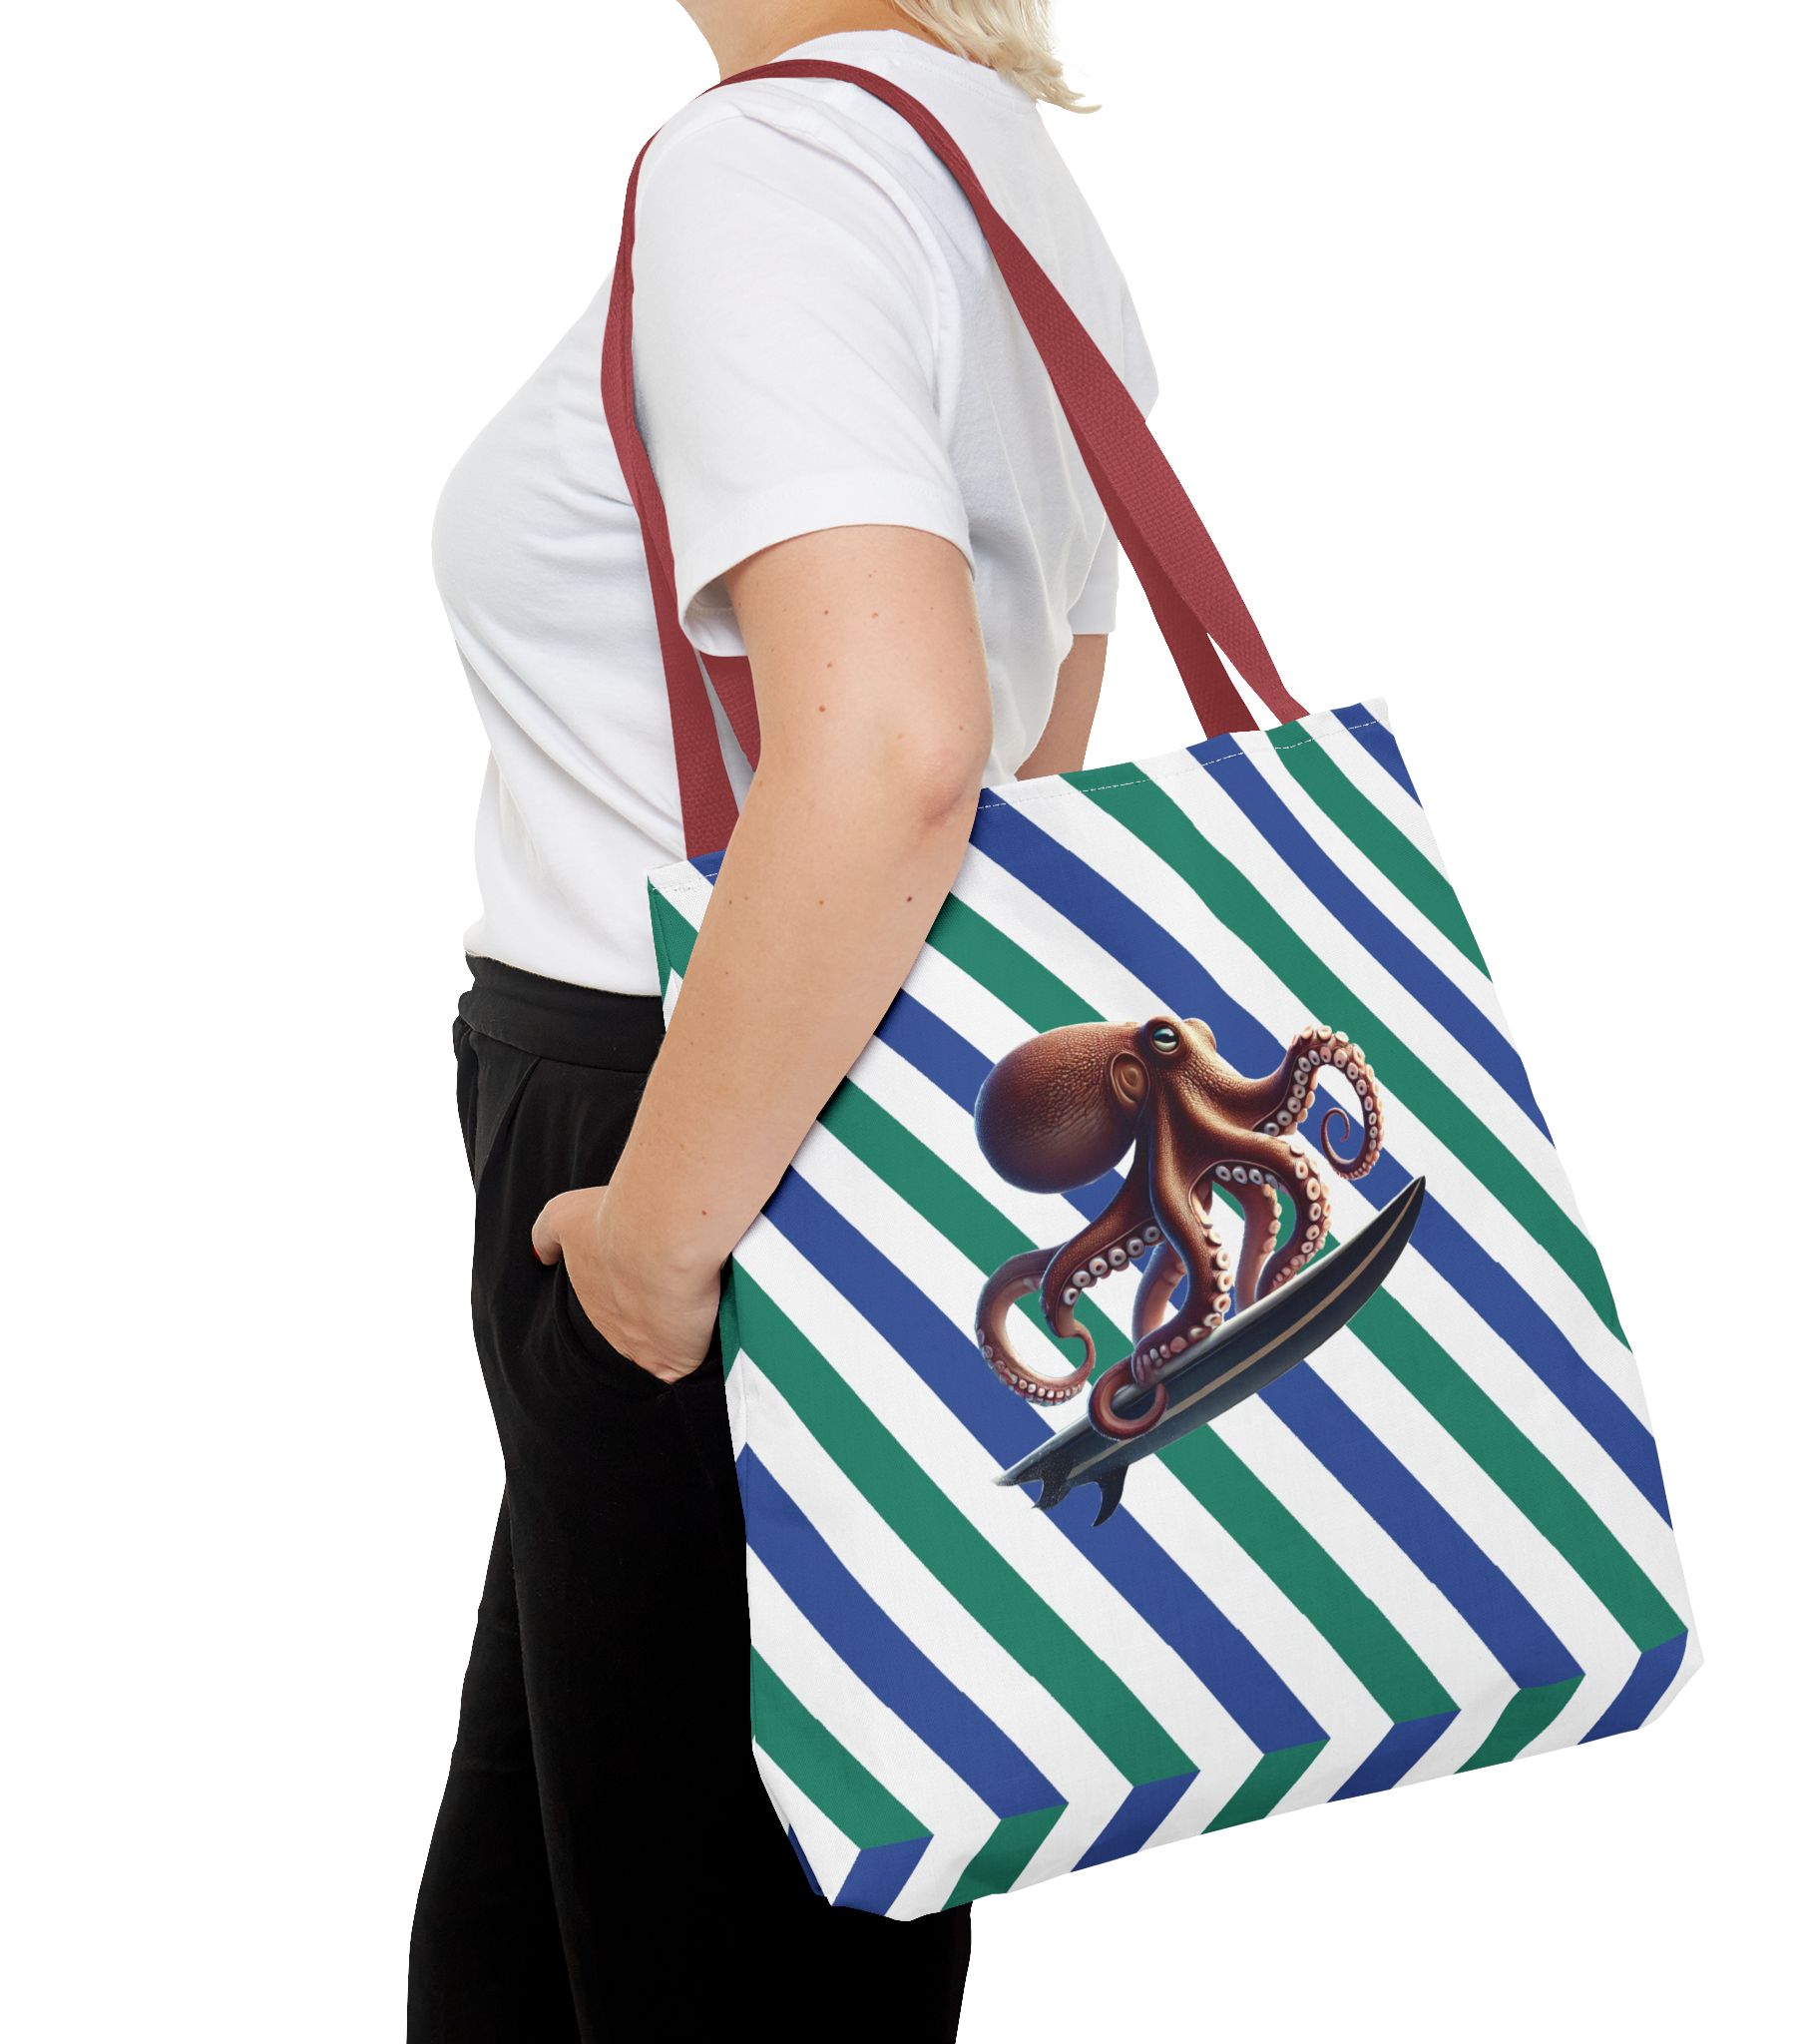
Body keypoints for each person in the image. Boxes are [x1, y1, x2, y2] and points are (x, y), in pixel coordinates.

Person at [409, 4, 1153, 2037]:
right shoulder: (990, 162)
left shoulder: (774, 169)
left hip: (685, 1147)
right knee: (567, 1943)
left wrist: (656, 1255)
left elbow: (906, 746)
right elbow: (1040, 746)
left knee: (706, 1966)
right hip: (819, 1107)